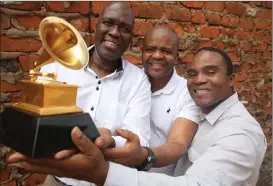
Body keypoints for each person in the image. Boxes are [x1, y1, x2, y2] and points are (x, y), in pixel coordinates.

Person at [7, 49, 267, 185]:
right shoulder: (200, 107)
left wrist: (106, 170)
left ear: (232, 80)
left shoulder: (240, 133)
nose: (199, 80)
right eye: (194, 73)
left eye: (211, 72)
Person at [37, 2, 151, 186]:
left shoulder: (138, 81)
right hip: (59, 179)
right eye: (108, 22)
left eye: (125, 29)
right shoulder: (57, 68)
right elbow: (41, 125)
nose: (114, 32)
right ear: (96, 25)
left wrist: (110, 141)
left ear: (131, 38)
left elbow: (139, 138)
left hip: (108, 181)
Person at [102, 25, 200, 176]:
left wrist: (142, 156)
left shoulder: (186, 93)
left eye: (166, 51)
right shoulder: (128, 81)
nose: (157, 56)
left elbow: (178, 144)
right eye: (150, 49)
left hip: (156, 179)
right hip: (112, 174)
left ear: (177, 57)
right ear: (141, 52)